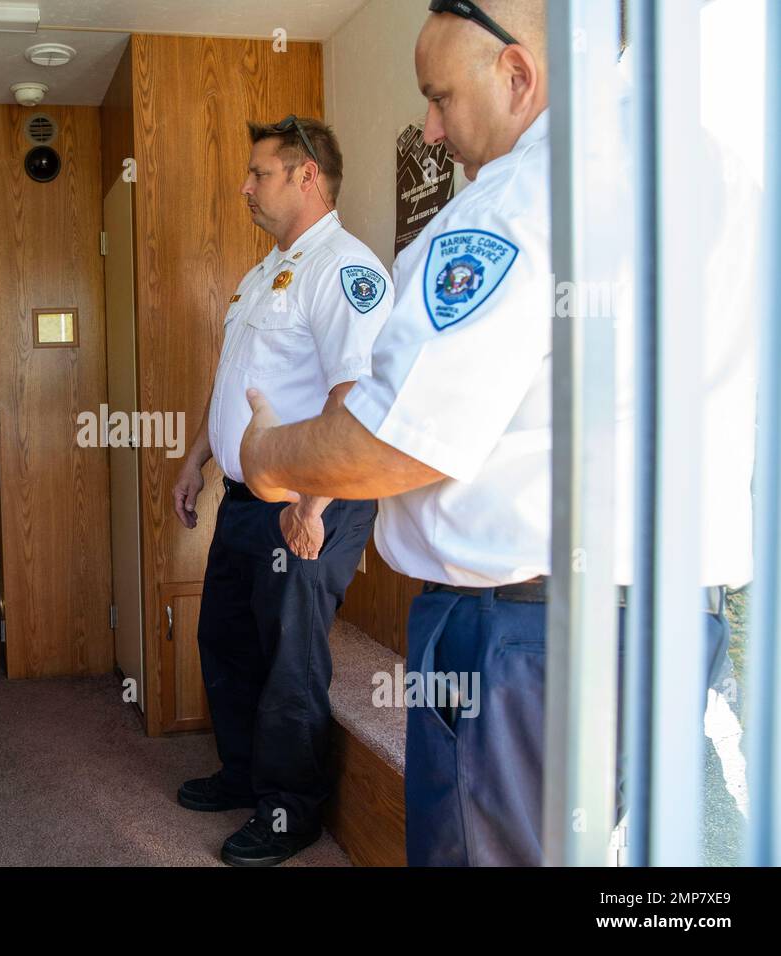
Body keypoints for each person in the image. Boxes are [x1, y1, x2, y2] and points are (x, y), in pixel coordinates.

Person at [238, 0, 752, 865]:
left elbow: (396, 440)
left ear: (518, 75)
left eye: (438, 98)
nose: (431, 131)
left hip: (527, 649)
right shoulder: (717, 173)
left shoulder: (519, 199)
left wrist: (266, 458)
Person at [170, 116, 392, 867]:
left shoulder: (345, 268)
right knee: (225, 637)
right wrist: (197, 457)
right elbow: (238, 382)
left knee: (289, 655)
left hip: (306, 503)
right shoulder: (266, 270)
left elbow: (355, 394)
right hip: (244, 495)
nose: (245, 187)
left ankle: (290, 810)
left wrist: (313, 505)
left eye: (259, 173)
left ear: (306, 177)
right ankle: (245, 774)